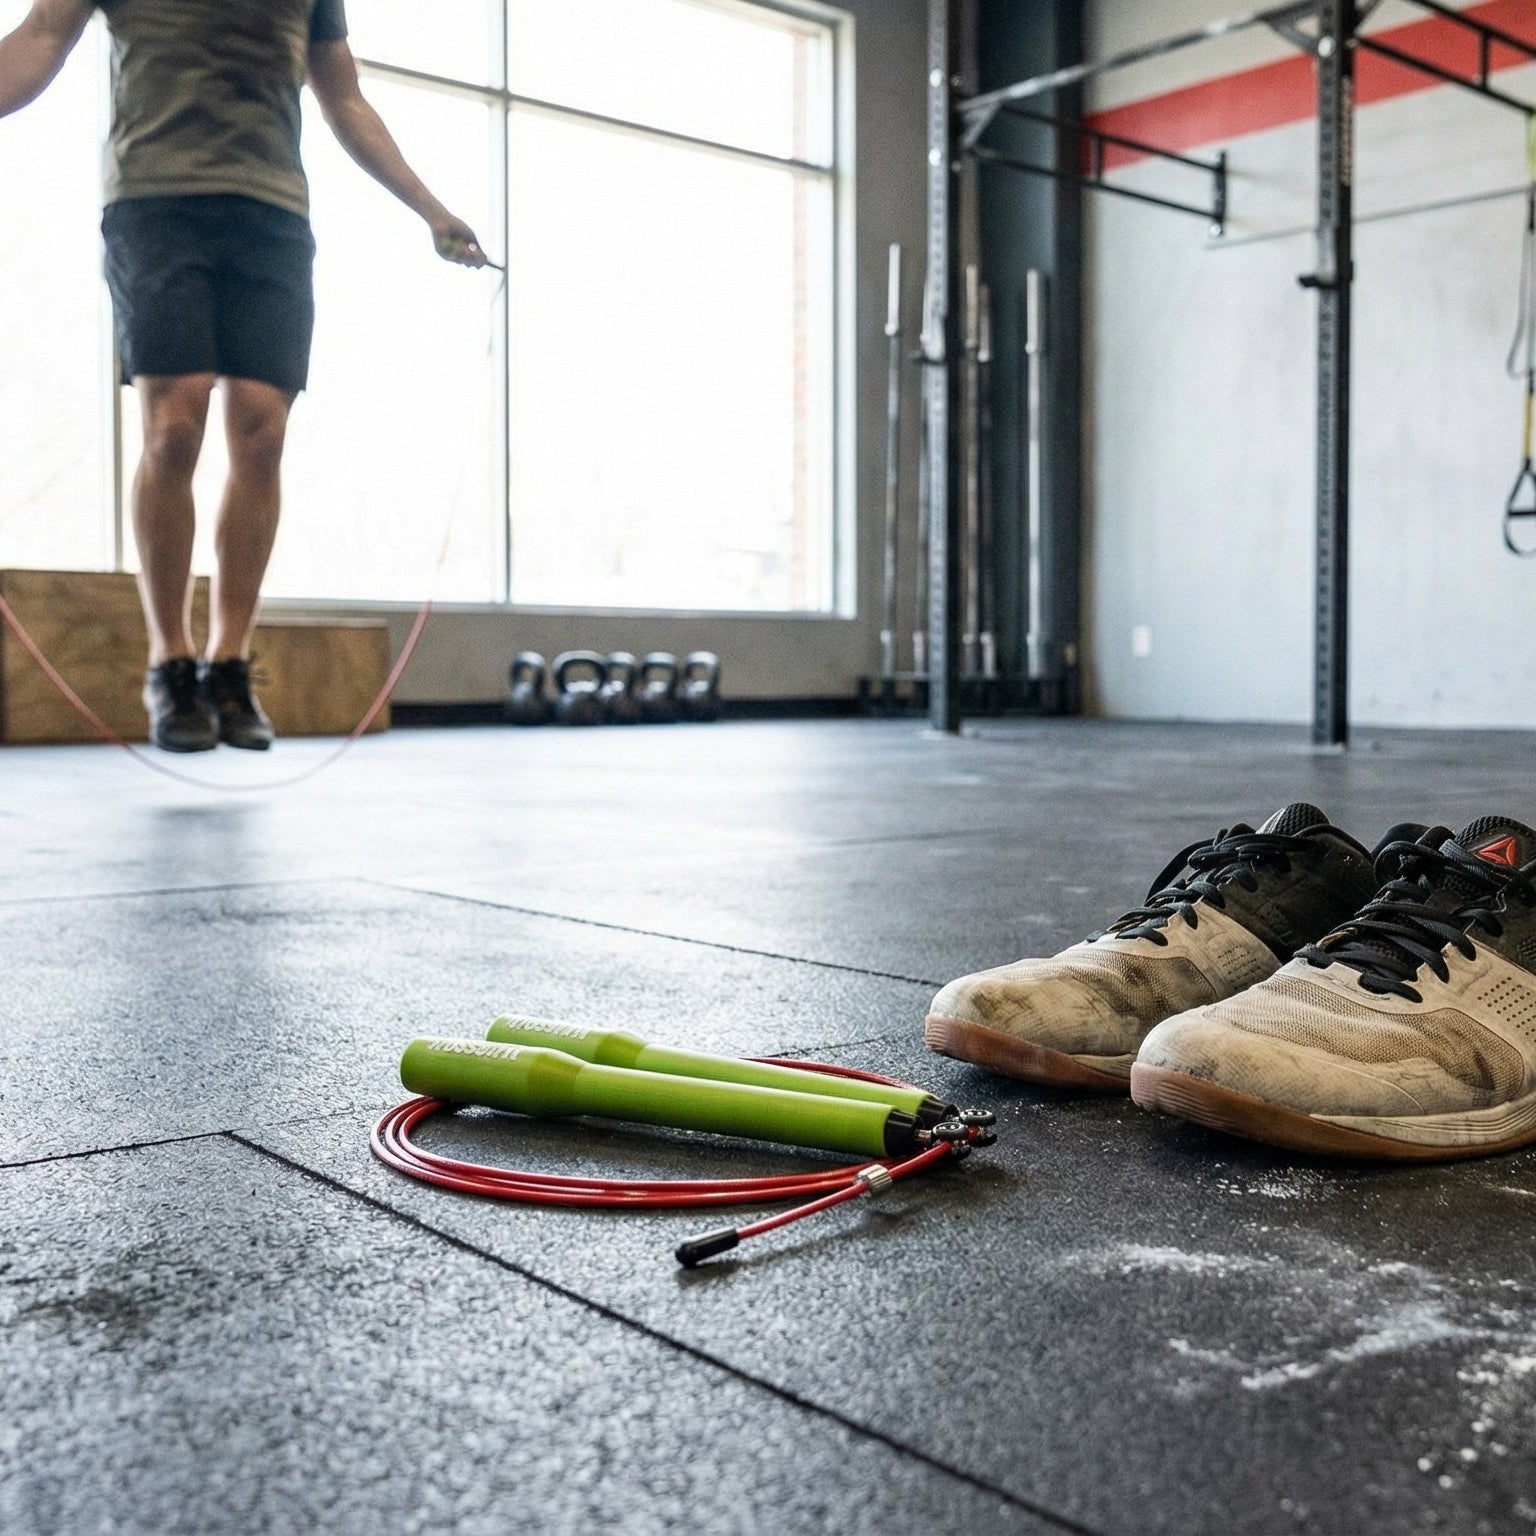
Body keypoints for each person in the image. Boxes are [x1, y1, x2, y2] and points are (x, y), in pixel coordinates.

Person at [0, 0, 489, 751]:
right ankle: (171, 665)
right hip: (156, 205)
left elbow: (344, 97)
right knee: (174, 429)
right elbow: (38, 40)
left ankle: (229, 663)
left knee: (260, 437)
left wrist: (431, 208)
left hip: (272, 217)